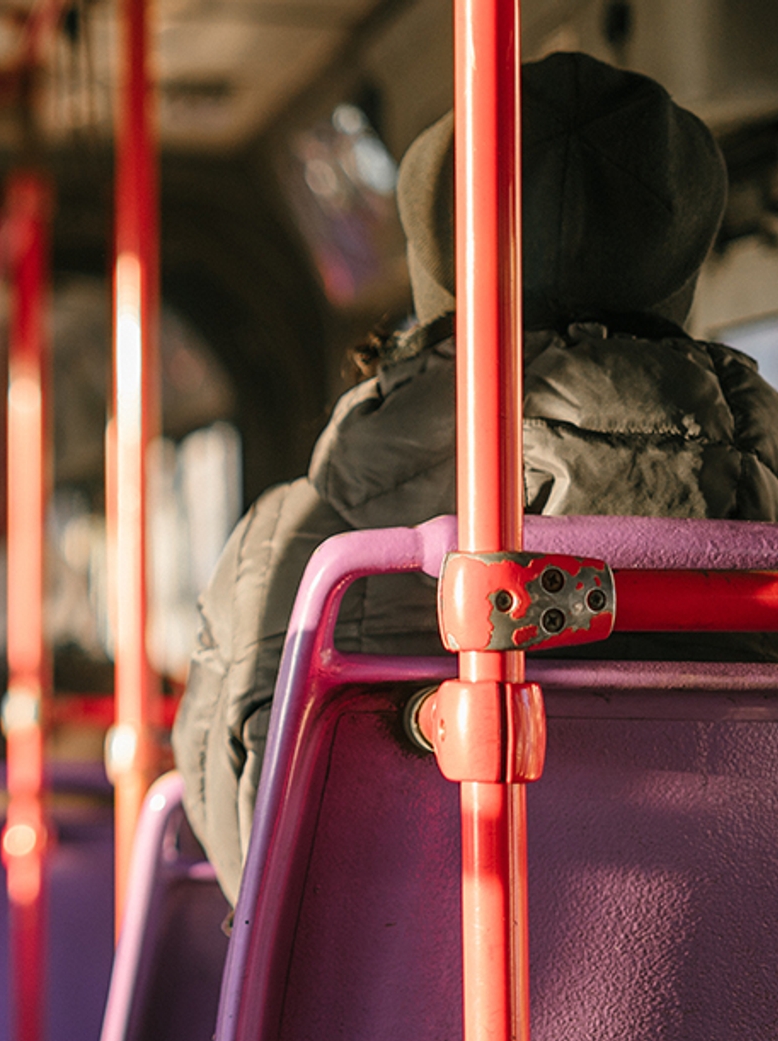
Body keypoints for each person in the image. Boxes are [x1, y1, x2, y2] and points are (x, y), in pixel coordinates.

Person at [173, 51, 778, 905]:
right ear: (679, 266)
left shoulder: (297, 549)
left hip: (391, 1035)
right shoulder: (766, 524)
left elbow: (249, 853)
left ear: (438, 261)